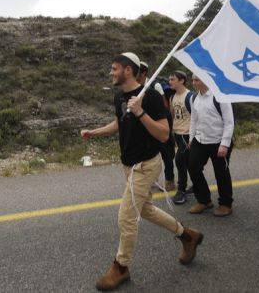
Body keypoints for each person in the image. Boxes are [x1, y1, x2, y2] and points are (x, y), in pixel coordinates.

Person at [81, 52, 203, 291]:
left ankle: (121, 267)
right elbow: (120, 122)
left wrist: (140, 112)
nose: (111, 72)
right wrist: (94, 132)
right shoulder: (120, 97)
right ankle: (188, 236)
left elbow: (164, 133)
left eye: (114, 68)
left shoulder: (152, 98)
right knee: (145, 210)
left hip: (146, 165)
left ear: (128, 70)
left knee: (126, 215)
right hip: (128, 165)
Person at [187, 74, 235, 217]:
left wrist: (224, 144)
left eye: (197, 79)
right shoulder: (193, 98)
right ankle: (204, 200)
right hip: (200, 140)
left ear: (206, 80)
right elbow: (193, 120)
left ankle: (226, 204)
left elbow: (229, 122)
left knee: (221, 173)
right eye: (193, 80)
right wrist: (191, 138)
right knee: (193, 167)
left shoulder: (220, 96)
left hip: (219, 142)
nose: (194, 83)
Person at [137, 62, 176, 191]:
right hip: (145, 123)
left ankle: (170, 180)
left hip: (159, 122)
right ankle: (151, 179)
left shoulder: (155, 85)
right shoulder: (135, 87)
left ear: (143, 73)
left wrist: (166, 125)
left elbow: (164, 105)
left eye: (136, 71)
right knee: (148, 152)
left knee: (166, 152)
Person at [168, 71, 193, 204]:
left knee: (179, 161)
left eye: (172, 79)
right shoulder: (172, 97)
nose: (170, 81)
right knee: (188, 162)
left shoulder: (189, 96)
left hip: (187, 134)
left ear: (182, 80)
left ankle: (181, 191)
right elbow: (173, 116)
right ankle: (196, 184)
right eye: (169, 79)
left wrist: (193, 137)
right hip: (177, 134)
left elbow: (197, 117)